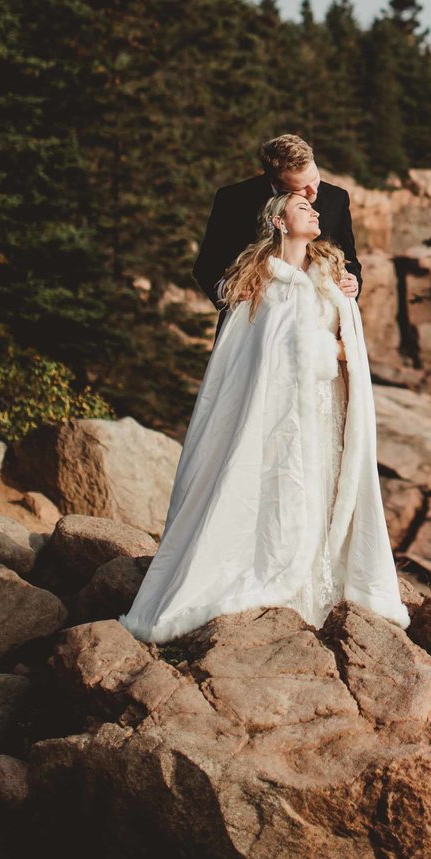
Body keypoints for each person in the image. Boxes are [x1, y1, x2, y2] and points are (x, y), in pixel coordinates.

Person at [118, 190, 409, 642]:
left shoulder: (330, 276)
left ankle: (314, 598)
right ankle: (265, 585)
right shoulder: (261, 283)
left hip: (320, 415)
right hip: (272, 418)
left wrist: (330, 345)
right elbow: (252, 355)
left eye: (313, 208)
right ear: (279, 222)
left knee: (315, 497)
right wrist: (320, 349)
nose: (314, 211)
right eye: (301, 207)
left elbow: (346, 338)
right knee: (273, 492)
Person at [193, 134, 362, 313]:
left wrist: (353, 281)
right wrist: (227, 291)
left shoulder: (337, 198)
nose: (313, 192)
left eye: (314, 178)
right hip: (253, 316)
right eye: (301, 187)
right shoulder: (233, 200)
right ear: (275, 182)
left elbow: (349, 258)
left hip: (317, 317)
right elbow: (207, 266)